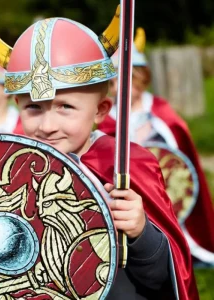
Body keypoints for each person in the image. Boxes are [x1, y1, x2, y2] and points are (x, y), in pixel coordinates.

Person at [0, 14, 198, 299]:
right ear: (17, 105)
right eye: (34, 107)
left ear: (101, 110)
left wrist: (140, 232)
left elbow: (162, 277)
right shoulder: (5, 172)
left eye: (65, 107)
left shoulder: (126, 165)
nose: (47, 126)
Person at [99, 28, 214, 265]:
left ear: (141, 77)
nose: (119, 87)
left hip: (163, 189)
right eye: (113, 81)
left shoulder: (162, 114)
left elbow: (180, 163)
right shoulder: (107, 119)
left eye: (126, 78)